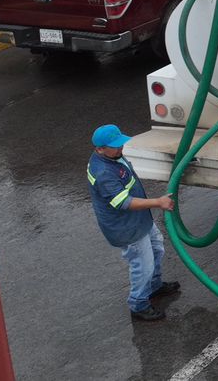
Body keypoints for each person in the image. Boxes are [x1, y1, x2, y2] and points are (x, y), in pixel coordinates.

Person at [87, 124, 179, 322]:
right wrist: (158, 202)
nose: (121, 149)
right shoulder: (103, 172)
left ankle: (154, 286)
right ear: (100, 149)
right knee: (142, 265)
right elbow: (124, 202)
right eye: (115, 146)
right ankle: (139, 304)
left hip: (139, 219)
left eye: (120, 144)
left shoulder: (113, 157)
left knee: (156, 248)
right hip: (127, 228)